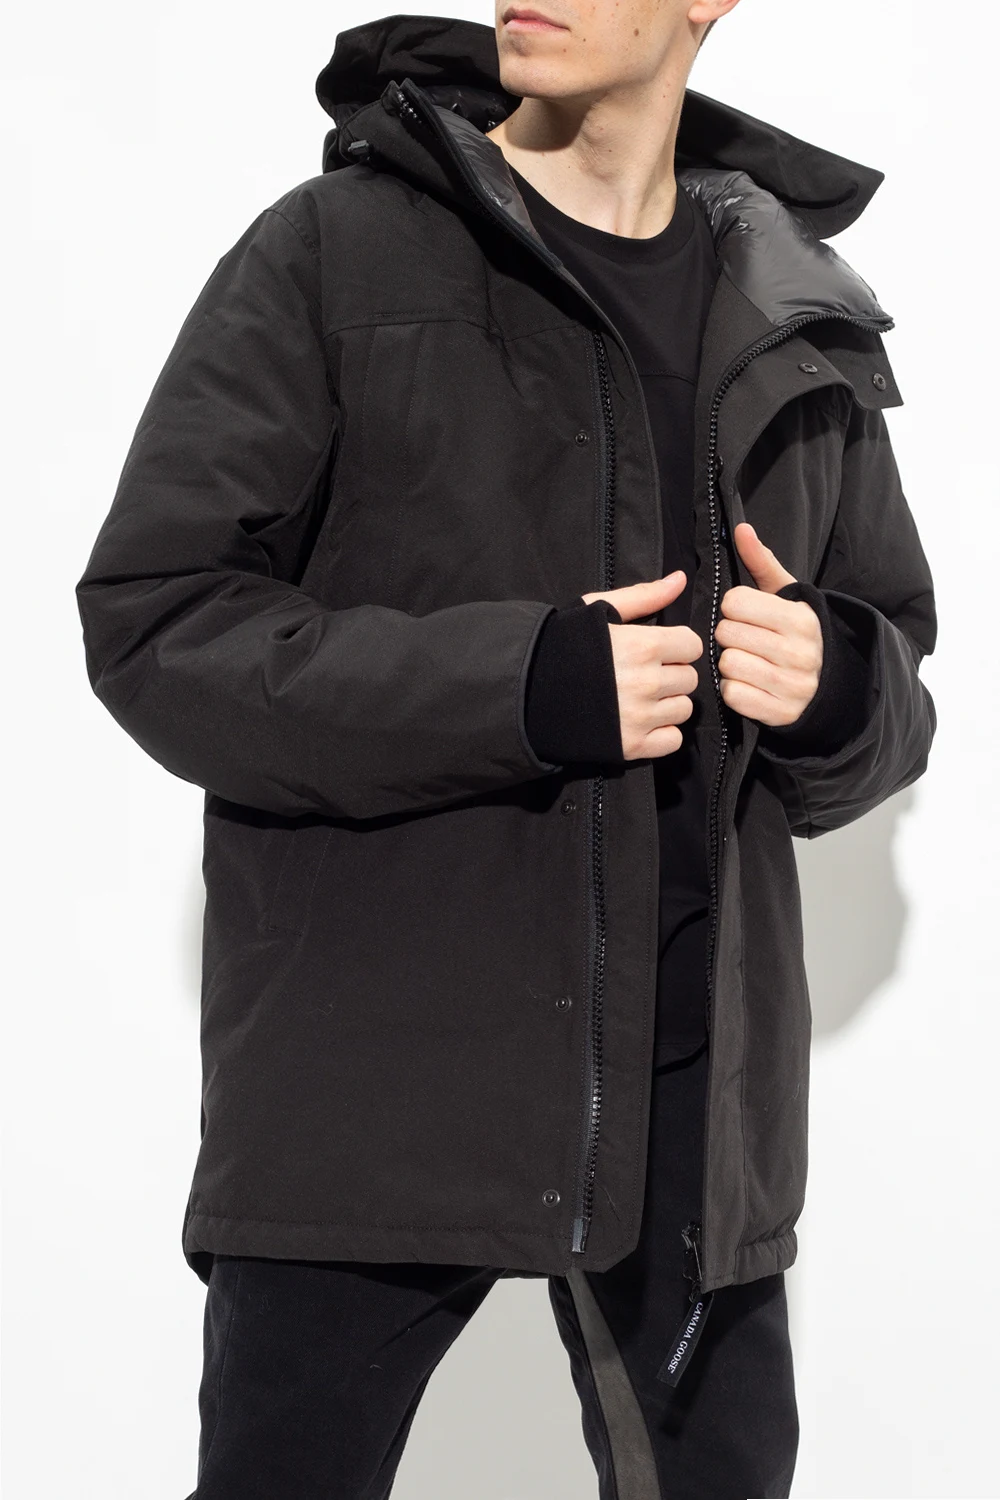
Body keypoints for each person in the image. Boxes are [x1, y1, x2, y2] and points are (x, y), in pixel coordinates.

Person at [74, 4, 937, 1496]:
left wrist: (837, 683)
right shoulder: (334, 252)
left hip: (695, 1101)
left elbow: (894, 674)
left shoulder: (793, 306)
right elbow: (159, 627)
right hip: (375, 1078)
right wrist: (525, 684)